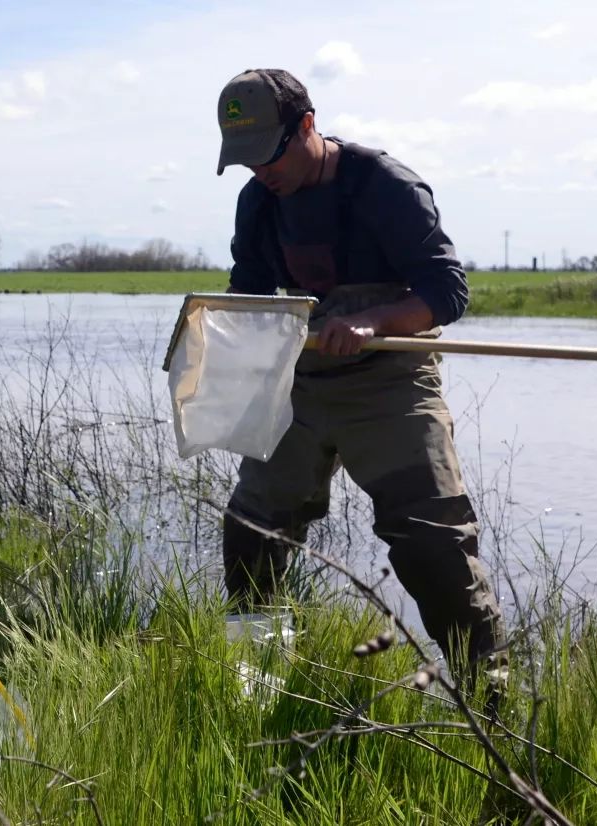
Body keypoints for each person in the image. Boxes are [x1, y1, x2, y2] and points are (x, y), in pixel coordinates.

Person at [214, 68, 505, 679]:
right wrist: (225, 331)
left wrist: (372, 321)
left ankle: (491, 700)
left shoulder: (385, 186)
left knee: (432, 547)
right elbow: (249, 293)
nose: (259, 171)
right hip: (302, 382)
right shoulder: (259, 201)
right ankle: (257, 676)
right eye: (244, 161)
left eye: (267, 154)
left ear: (308, 127)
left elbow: (447, 292)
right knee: (250, 531)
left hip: (391, 381)